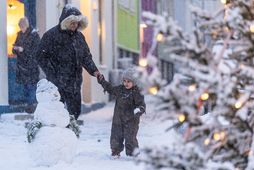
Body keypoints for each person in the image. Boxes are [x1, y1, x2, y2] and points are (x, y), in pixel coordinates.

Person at [36, 4, 101, 120]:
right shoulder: (51, 35)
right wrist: (52, 74)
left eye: (76, 23)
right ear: (65, 21)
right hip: (57, 83)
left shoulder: (79, 37)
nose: (74, 25)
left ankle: (71, 135)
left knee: (75, 112)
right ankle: (58, 136)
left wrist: (94, 71)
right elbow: (40, 56)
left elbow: (86, 57)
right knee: (57, 114)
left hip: (75, 83)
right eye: (72, 23)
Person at [97, 68, 146, 158]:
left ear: (134, 82)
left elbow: (141, 104)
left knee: (130, 138)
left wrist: (140, 109)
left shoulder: (136, 92)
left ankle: (133, 154)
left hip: (131, 120)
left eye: (129, 81)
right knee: (116, 136)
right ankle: (115, 152)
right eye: (124, 81)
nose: (126, 83)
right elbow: (110, 89)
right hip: (118, 119)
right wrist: (102, 81)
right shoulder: (120, 89)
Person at [12, 17, 40, 113]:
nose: (22, 28)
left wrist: (23, 50)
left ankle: (31, 106)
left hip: (31, 65)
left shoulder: (34, 35)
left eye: (23, 26)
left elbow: (36, 50)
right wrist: (15, 49)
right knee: (25, 86)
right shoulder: (19, 34)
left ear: (27, 26)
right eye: (20, 27)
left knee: (31, 85)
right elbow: (14, 47)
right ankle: (28, 105)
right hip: (22, 66)